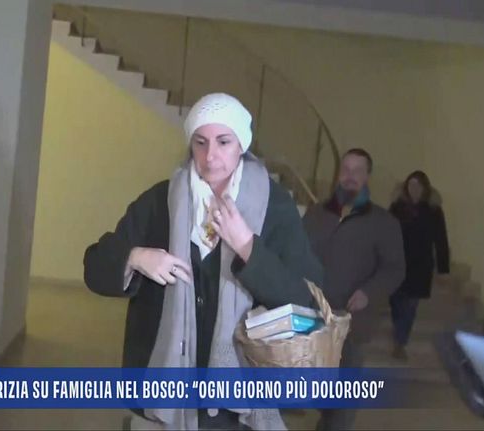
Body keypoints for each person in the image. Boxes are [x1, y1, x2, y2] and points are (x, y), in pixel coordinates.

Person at [83, 93, 323, 430]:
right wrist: (136, 257)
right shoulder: (159, 201)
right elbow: (94, 267)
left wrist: (247, 247)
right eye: (201, 142)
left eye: (223, 142)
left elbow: (306, 302)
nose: (211, 156)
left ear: (241, 145)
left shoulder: (276, 207)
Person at [302, 148, 405, 431]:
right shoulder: (315, 214)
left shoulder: (384, 223)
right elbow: (297, 254)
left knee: (343, 399)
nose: (350, 176)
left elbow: (395, 269)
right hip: (312, 319)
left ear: (367, 176)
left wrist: (368, 293)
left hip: (352, 324)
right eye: (345, 170)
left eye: (358, 171)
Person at [388, 170, 450, 360]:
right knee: (396, 301)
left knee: (411, 305)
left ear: (424, 189)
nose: (414, 189)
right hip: (398, 262)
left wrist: (443, 268)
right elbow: (385, 232)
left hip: (421, 265)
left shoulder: (433, 210)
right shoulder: (397, 207)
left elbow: (441, 239)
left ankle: (400, 342)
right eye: (411, 185)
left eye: (417, 186)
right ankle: (398, 331)